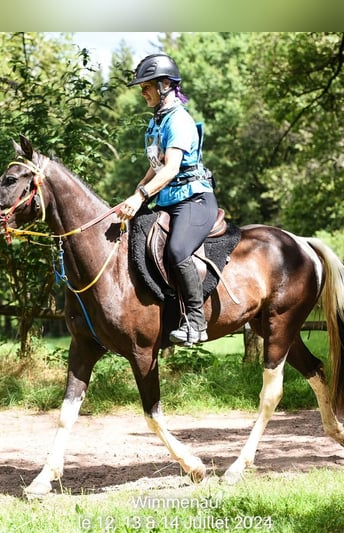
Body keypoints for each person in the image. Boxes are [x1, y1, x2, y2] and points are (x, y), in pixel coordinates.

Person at [118, 52, 218, 345]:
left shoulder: (179, 121)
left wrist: (141, 196)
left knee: (176, 251)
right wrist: (135, 192)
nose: (143, 92)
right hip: (167, 201)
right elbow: (156, 164)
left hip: (193, 200)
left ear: (164, 85)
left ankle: (196, 324)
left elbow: (172, 169)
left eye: (146, 86)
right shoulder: (157, 122)